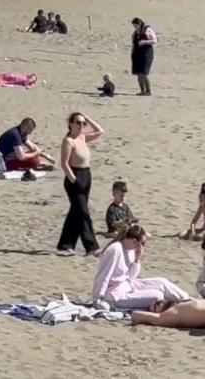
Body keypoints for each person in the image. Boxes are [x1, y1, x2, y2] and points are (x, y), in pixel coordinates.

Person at [92, 225, 190, 309]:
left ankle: (188, 300)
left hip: (128, 286)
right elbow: (103, 275)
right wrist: (97, 299)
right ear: (135, 241)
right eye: (142, 244)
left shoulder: (130, 251)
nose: (141, 247)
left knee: (162, 283)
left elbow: (131, 278)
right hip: (114, 294)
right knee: (157, 296)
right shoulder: (115, 249)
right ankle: (182, 306)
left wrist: (136, 259)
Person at [57, 111, 104, 255]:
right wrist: (74, 180)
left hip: (86, 175)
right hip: (74, 177)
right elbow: (64, 164)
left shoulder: (82, 137)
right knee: (83, 212)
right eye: (77, 122)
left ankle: (65, 245)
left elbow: (100, 131)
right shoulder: (68, 141)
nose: (80, 126)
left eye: (82, 123)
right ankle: (91, 246)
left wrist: (87, 117)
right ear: (70, 124)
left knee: (75, 212)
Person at [130, 17, 157, 96]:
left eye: (136, 25)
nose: (135, 27)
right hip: (137, 54)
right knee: (138, 73)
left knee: (144, 73)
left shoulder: (148, 30)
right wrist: (132, 53)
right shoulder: (135, 33)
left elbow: (154, 40)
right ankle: (142, 90)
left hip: (146, 54)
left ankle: (148, 91)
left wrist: (144, 42)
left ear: (139, 24)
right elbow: (133, 44)